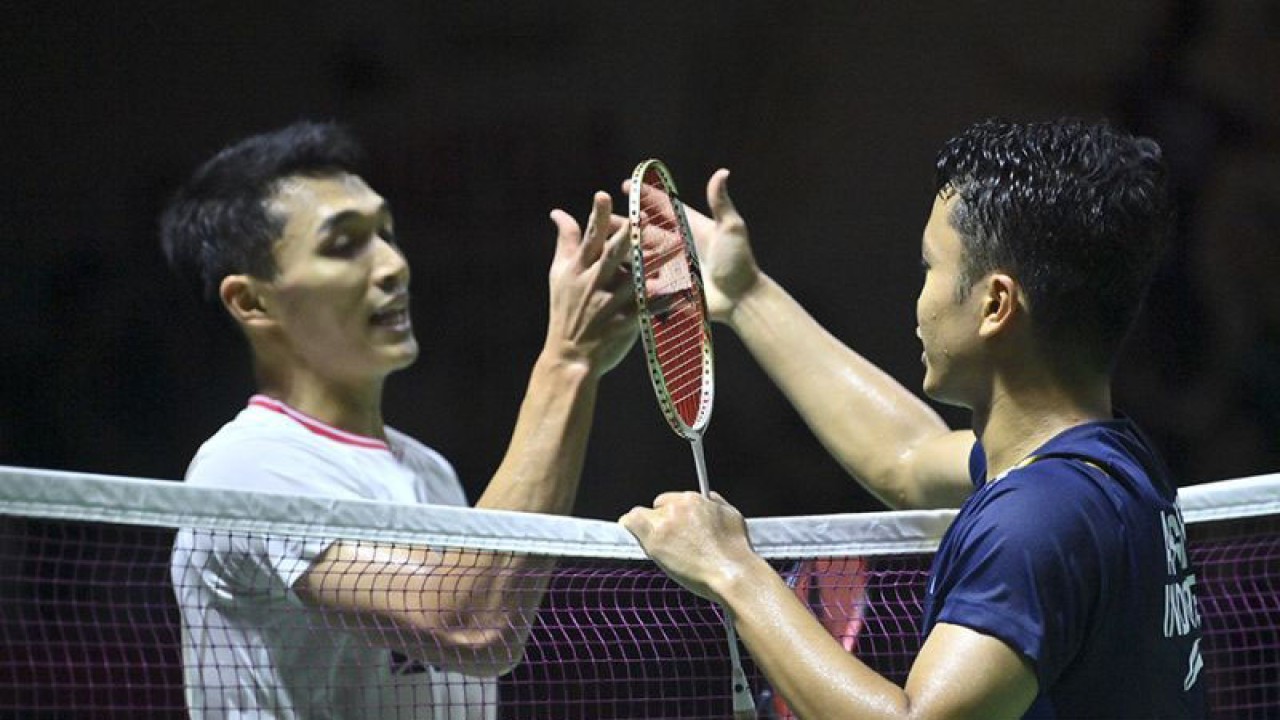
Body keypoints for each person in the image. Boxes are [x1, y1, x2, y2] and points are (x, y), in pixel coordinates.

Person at [620, 118, 1206, 718]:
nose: (919, 298)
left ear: (995, 304)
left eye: (929, 268)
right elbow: (905, 458)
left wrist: (733, 572)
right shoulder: (1107, 466)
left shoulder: (1037, 520)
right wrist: (746, 296)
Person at [162, 121, 636, 719]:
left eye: (386, 233)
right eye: (344, 244)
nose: (392, 265)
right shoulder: (247, 467)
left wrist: (578, 367)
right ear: (252, 301)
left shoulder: (429, 471)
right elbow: (470, 622)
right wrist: (568, 363)